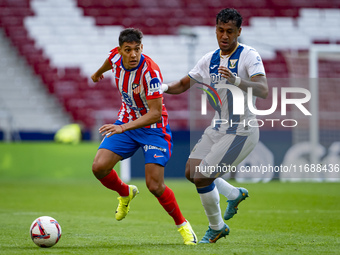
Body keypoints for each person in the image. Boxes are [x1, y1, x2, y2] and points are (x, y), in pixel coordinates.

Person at [162, 8, 268, 243]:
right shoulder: (208, 59)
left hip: (242, 130)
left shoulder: (249, 55)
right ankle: (234, 194)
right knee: (191, 172)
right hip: (218, 127)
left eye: (230, 31)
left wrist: (236, 80)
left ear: (239, 32)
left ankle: (216, 227)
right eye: (220, 30)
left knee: (202, 177)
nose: (224, 36)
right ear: (215, 29)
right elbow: (183, 84)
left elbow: (263, 90)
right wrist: (164, 88)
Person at [91, 28, 197, 245]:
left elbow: (155, 113)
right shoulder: (115, 57)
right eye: (127, 50)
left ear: (142, 48)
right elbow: (110, 61)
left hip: (153, 129)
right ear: (120, 50)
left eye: (137, 49)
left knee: (155, 186)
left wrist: (123, 128)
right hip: (126, 121)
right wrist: (98, 72)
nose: (133, 55)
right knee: (99, 167)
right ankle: (125, 192)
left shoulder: (152, 73)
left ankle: (184, 226)